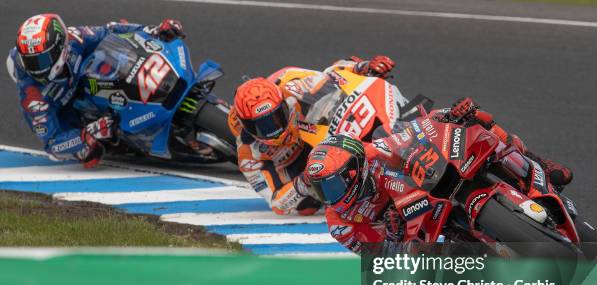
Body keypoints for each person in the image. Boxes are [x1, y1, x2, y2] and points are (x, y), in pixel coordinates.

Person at [305, 99, 573, 254]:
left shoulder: (372, 152)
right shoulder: (339, 223)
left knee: (477, 122)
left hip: (426, 190)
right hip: (418, 236)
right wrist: (391, 236)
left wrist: (446, 116)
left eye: (333, 184)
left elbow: (410, 134)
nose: (331, 196)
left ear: (355, 169)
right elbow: (376, 259)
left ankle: (540, 164)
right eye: (322, 190)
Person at [7, 14, 185, 168]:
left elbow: (110, 29)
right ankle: (122, 138)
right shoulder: (33, 97)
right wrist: (87, 135)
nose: (37, 68)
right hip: (66, 108)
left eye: (42, 59)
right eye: (30, 62)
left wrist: (152, 30)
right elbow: (53, 146)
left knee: (119, 50)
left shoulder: (75, 38)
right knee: (89, 154)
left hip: (83, 75)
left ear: (60, 46)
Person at [227, 55, 396, 215]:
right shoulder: (247, 153)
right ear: (246, 126)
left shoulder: (293, 85)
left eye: (276, 117)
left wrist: (363, 67)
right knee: (306, 207)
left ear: (283, 104)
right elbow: (276, 202)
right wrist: (305, 180)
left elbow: (333, 73)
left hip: (316, 131)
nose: (273, 128)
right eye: (262, 126)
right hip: (297, 169)